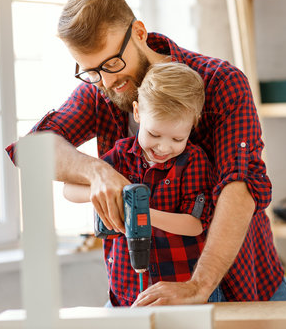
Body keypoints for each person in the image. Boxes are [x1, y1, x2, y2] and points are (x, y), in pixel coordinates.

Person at [6, 0, 286, 305]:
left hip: (236, 286)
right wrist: (96, 173)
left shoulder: (220, 82)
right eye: (91, 71)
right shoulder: (101, 90)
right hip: (136, 293)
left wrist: (199, 285)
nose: (107, 81)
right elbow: (32, 149)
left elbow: (239, 189)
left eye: (113, 63)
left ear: (140, 33)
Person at [63, 62, 214, 306]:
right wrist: (106, 190)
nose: (164, 148)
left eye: (177, 138)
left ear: (193, 123)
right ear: (137, 113)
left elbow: (195, 224)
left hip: (176, 291)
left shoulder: (193, 161)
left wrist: (141, 213)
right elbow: (68, 190)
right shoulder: (121, 154)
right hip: (125, 289)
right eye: (154, 134)